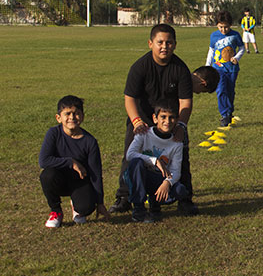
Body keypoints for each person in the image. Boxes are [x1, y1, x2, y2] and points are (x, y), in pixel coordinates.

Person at [110, 24, 212, 216]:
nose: (164, 46)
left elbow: (186, 103)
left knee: (181, 153)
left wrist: (180, 125)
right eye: (160, 42)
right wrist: (137, 121)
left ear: (175, 45)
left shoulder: (180, 69)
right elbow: (129, 98)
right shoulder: (139, 67)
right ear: (151, 43)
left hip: (169, 120)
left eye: (169, 42)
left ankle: (184, 198)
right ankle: (124, 197)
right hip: (142, 118)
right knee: (130, 154)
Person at [39, 95, 110, 228]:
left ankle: (77, 206)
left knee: (87, 207)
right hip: (58, 179)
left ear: (82, 116)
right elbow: (43, 161)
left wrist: (100, 203)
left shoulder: (90, 141)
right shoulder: (53, 134)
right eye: (67, 113)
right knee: (47, 175)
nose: (72, 117)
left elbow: (96, 173)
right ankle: (56, 211)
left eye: (76, 113)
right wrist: (71, 162)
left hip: (79, 182)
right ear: (58, 117)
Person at [125, 99, 191, 223]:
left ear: (177, 121)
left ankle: (155, 204)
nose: (167, 121)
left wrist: (167, 182)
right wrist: (154, 161)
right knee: (136, 163)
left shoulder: (176, 143)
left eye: (171, 118)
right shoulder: (144, 133)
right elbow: (130, 155)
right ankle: (138, 209)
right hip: (140, 175)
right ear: (155, 119)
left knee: (180, 190)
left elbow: (176, 171)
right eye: (163, 117)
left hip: (158, 178)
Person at [206, 10, 245, 127]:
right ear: (217, 25)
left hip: (232, 69)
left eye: (226, 27)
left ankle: (229, 111)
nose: (223, 30)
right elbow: (211, 51)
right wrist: (207, 66)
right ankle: (224, 115)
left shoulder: (235, 35)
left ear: (230, 25)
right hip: (218, 68)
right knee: (221, 89)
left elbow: (242, 48)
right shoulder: (214, 36)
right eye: (221, 27)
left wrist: (237, 57)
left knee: (230, 91)